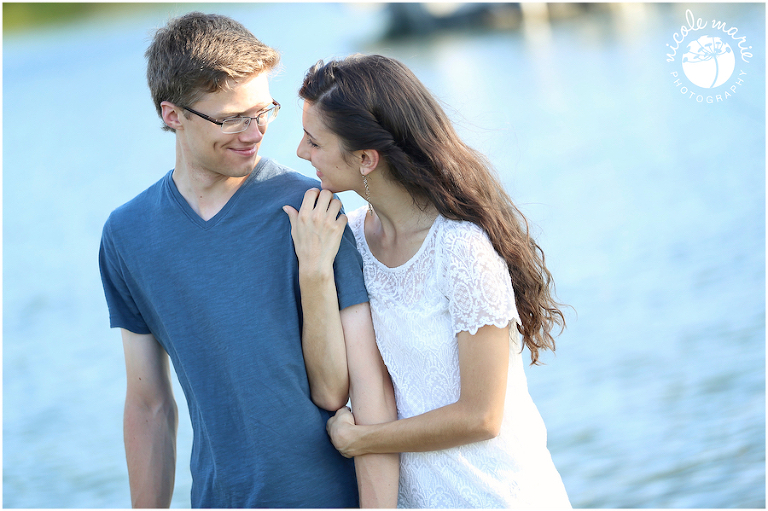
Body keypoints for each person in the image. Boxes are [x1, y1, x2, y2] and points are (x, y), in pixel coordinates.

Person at [98, 14, 397, 508]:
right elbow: (149, 404)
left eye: (263, 112)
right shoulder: (127, 235)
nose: (254, 132)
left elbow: (351, 389)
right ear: (172, 115)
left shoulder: (312, 208)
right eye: (232, 118)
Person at [289, 53, 572, 508]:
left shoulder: (461, 249)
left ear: (365, 159)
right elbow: (336, 385)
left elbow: (481, 417)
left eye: (314, 141)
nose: (301, 153)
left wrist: (363, 440)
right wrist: (314, 271)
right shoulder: (351, 240)